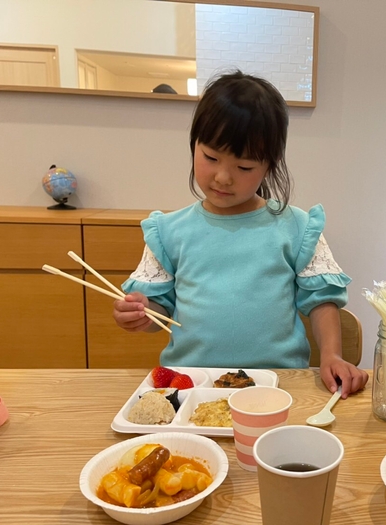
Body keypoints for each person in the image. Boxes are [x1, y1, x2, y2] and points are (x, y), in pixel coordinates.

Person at [114, 71, 368, 397]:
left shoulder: (297, 228)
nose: (223, 177)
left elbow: (321, 300)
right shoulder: (168, 232)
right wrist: (141, 313)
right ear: (194, 145)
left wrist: (332, 355)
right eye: (210, 157)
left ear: (269, 165)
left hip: (277, 384)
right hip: (192, 386)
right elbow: (159, 312)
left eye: (244, 167)